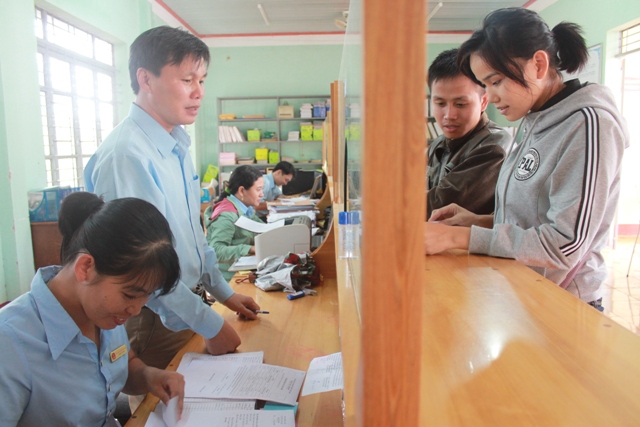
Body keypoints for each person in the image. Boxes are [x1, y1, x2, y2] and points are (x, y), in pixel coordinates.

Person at [424, 7, 628, 310]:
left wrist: (460, 238)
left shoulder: (588, 125)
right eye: (485, 85)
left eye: (496, 81)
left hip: (563, 303)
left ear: (538, 65)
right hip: (522, 291)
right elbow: (533, 219)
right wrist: (479, 222)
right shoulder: (535, 120)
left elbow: (565, 244)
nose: (491, 97)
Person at [84, 26, 258, 371]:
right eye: (187, 80)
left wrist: (224, 293)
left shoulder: (175, 144)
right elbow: (140, 267)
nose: (199, 92)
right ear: (145, 79)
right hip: (154, 315)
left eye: (202, 81)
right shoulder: (128, 156)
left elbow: (193, 236)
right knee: (166, 401)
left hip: (187, 306)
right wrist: (209, 323)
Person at [0, 192, 186, 426]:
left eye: (146, 296)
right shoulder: (10, 343)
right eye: (130, 295)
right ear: (86, 267)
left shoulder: (104, 313)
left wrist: (149, 376)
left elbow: (121, 362)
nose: (136, 310)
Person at [427, 48, 512, 219]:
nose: (449, 115)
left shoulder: (494, 146)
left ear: (484, 102)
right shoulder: (438, 144)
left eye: (460, 104)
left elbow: (438, 207)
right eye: (440, 103)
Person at [205, 166, 264, 281]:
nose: (262, 194)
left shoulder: (246, 209)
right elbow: (216, 250)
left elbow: (262, 227)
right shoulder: (227, 215)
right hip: (227, 278)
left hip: (240, 269)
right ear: (241, 191)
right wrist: (250, 249)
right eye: (258, 189)